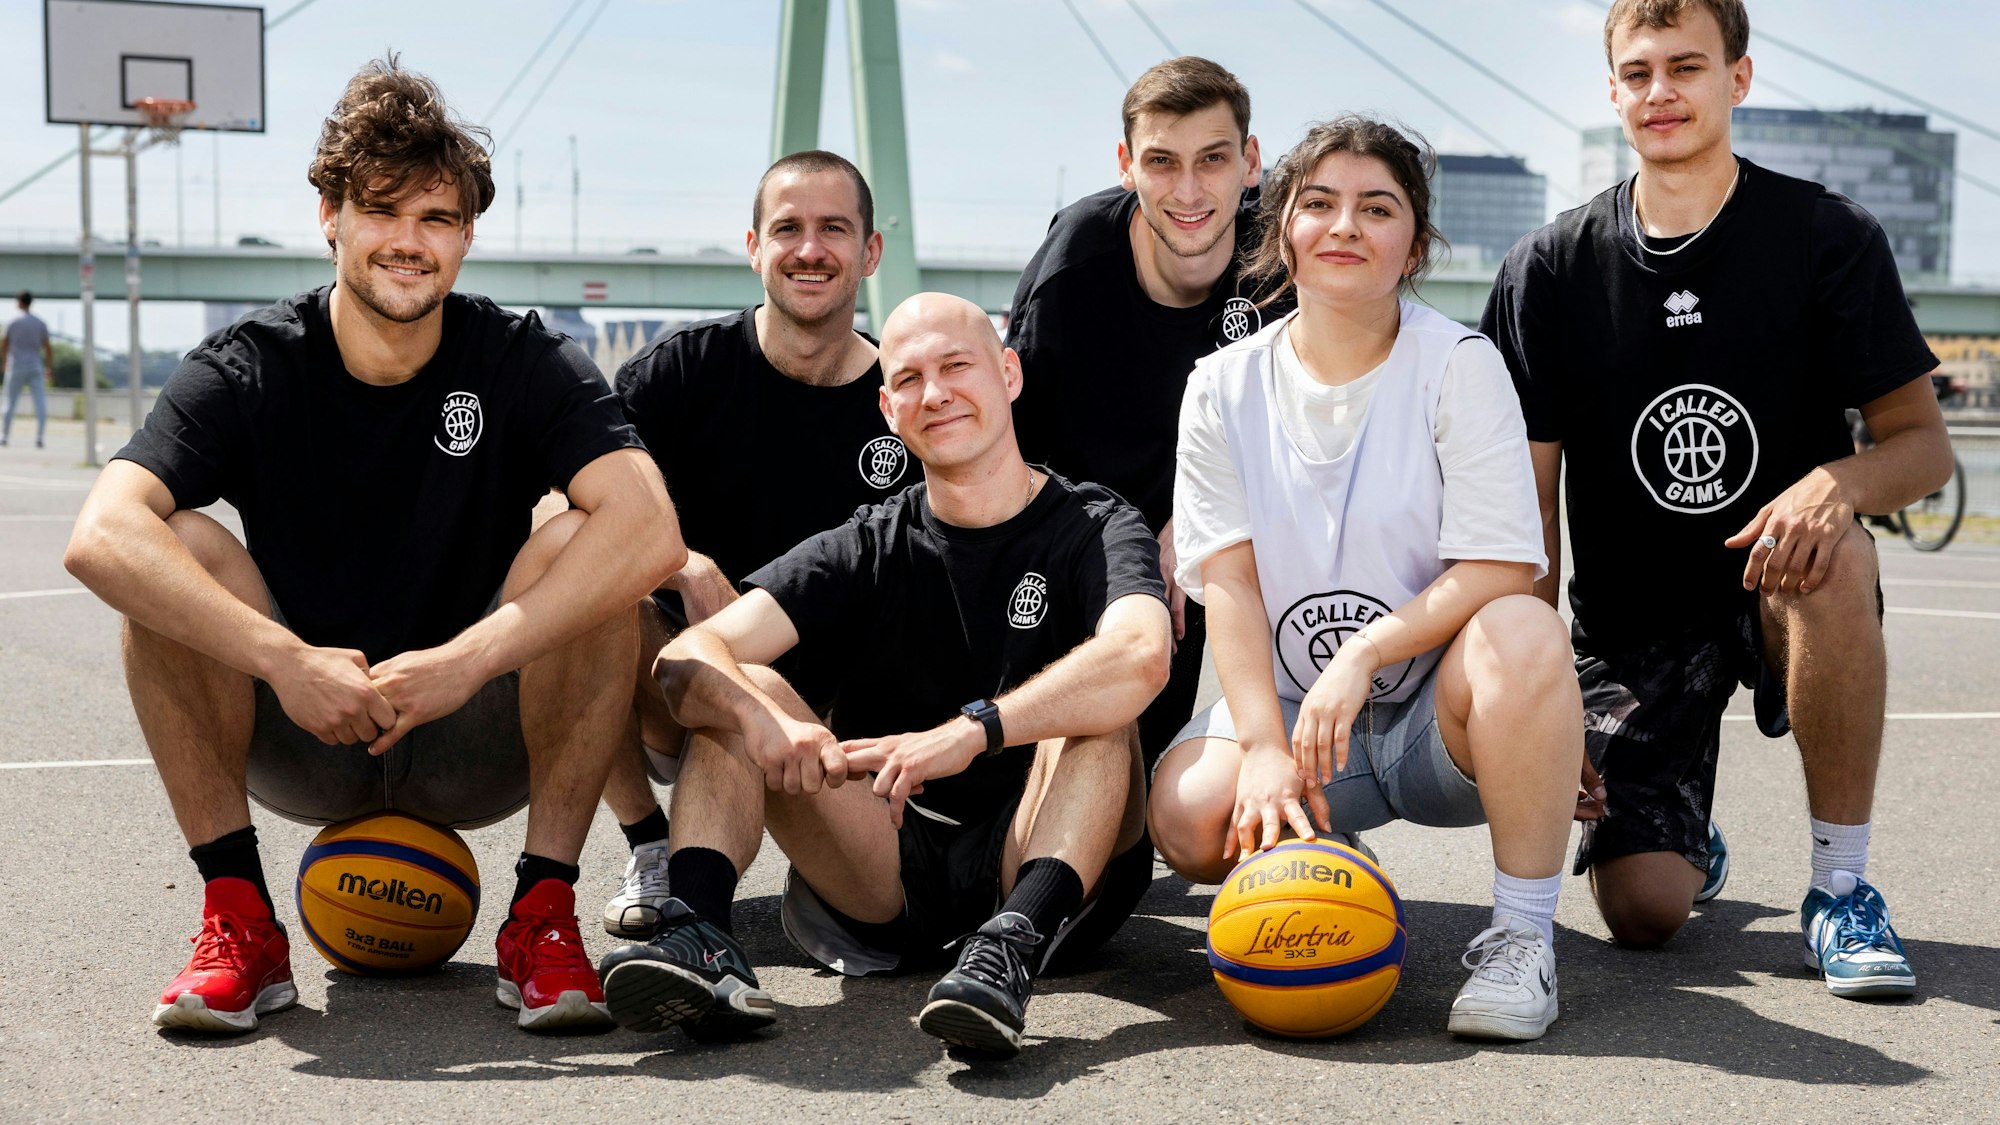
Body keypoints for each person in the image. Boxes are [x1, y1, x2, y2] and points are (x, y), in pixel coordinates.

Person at [62, 58, 683, 1035]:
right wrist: (286, 659)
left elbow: (651, 529)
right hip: (303, 727)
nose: (408, 241)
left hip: (476, 733)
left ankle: (541, 916)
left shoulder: (518, 357)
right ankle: (239, 922)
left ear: (467, 236)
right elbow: (98, 535)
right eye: (382, 209)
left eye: (435, 219)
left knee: (584, 541)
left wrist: (461, 661)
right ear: (330, 216)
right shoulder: (250, 365)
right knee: (166, 544)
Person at [1482, 0, 1950, 997]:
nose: (1660, 92)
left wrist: (1833, 484)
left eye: (1685, 67)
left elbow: (1921, 449)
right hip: (1631, 624)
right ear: (1610, 91)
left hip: (1779, 579)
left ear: (1736, 79)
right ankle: (1684, 825)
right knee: (1644, 913)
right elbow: (1528, 512)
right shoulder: (1547, 272)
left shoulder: (1825, 237)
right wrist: (1543, 694)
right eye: (1638, 72)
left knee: (1833, 553)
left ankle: (1840, 889)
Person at [596, 293, 1171, 1058]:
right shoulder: (869, 540)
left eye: (957, 366)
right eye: (909, 379)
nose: (935, 394)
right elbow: (684, 660)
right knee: (740, 686)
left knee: (1097, 705)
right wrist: (775, 719)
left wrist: (971, 733)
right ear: (886, 407)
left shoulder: (1094, 522)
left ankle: (1009, 950)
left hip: (1045, 850)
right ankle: (698, 938)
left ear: (1008, 374)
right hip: (888, 851)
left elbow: (1141, 652)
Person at [1147, 117, 1587, 1042]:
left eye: (1376, 208)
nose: (1345, 225)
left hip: (1439, 726)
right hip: (1308, 737)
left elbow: (1505, 563)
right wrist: (1264, 746)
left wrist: (1364, 655)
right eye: (1320, 204)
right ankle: (1328, 859)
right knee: (1188, 813)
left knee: (1526, 629)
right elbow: (1226, 582)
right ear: (1284, 234)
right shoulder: (1220, 386)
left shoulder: (1459, 365)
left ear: (1413, 246)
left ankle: (1520, 936)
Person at [598, 150, 913, 941]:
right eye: (788, 229)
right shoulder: (678, 374)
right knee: (585, 594)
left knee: (748, 696)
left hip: (841, 724)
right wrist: (682, 564)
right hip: (680, 683)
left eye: (834, 229)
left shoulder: (907, 407)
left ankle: (697, 914)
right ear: (753, 246)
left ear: (870, 252)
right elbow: (554, 510)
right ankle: (651, 844)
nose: (810, 250)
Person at [1006, 56, 1288, 771]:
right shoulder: (1073, 269)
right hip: (1090, 532)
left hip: (1214, 525)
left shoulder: (1283, 260)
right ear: (1128, 164)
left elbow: (1320, 431)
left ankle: (1316, 770)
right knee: (1102, 770)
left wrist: (1190, 521)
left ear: (1251, 163)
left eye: (1214, 159)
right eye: (1162, 161)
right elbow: (1015, 461)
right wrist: (1112, 552)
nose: (1189, 190)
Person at [2, 291, 53, 448]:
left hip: (16, 365)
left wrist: (3, 363)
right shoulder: (40, 322)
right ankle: (39, 437)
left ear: (19, 302)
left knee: (10, 402)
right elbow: (48, 348)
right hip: (35, 365)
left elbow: (4, 345)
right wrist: (49, 367)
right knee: (40, 403)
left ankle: (4, 436)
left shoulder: (12, 321)